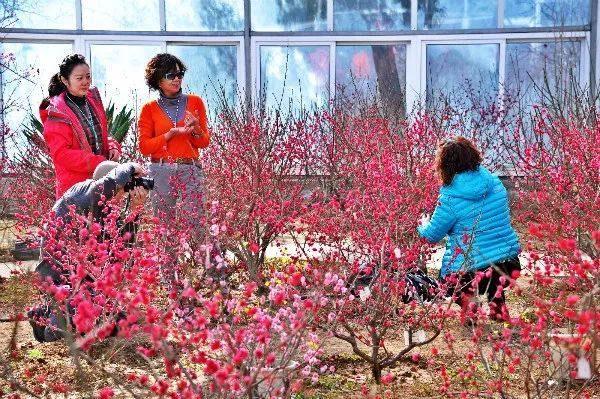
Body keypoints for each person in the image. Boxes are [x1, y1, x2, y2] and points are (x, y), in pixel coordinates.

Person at [28, 161, 149, 342]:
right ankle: (50, 325)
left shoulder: (106, 210)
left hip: (83, 282)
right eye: (123, 189)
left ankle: (43, 314)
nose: (123, 195)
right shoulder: (81, 192)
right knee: (72, 324)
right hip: (58, 278)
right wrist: (131, 167)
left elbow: (121, 252)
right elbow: (101, 187)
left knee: (121, 323)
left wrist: (135, 211)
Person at [417, 137, 521, 322]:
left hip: (472, 272)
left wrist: (421, 224)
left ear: (445, 165)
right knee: (491, 269)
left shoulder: (450, 197)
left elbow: (431, 236)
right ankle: (498, 308)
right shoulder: (494, 183)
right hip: (509, 263)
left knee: (448, 284)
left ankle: (471, 308)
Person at [138, 53, 211, 285]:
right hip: (160, 171)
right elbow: (144, 146)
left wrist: (197, 128)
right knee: (164, 226)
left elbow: (203, 142)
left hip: (190, 168)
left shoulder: (196, 102)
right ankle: (170, 280)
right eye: (171, 75)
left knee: (197, 222)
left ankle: (209, 275)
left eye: (180, 74)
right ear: (158, 80)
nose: (177, 79)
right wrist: (169, 135)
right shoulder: (149, 109)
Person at [40, 53, 121, 199]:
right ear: (65, 80)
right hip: (75, 189)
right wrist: (100, 162)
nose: (85, 82)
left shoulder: (92, 100)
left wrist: (112, 146)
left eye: (88, 76)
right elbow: (61, 154)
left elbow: (100, 135)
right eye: (79, 78)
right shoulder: (56, 111)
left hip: (101, 180)